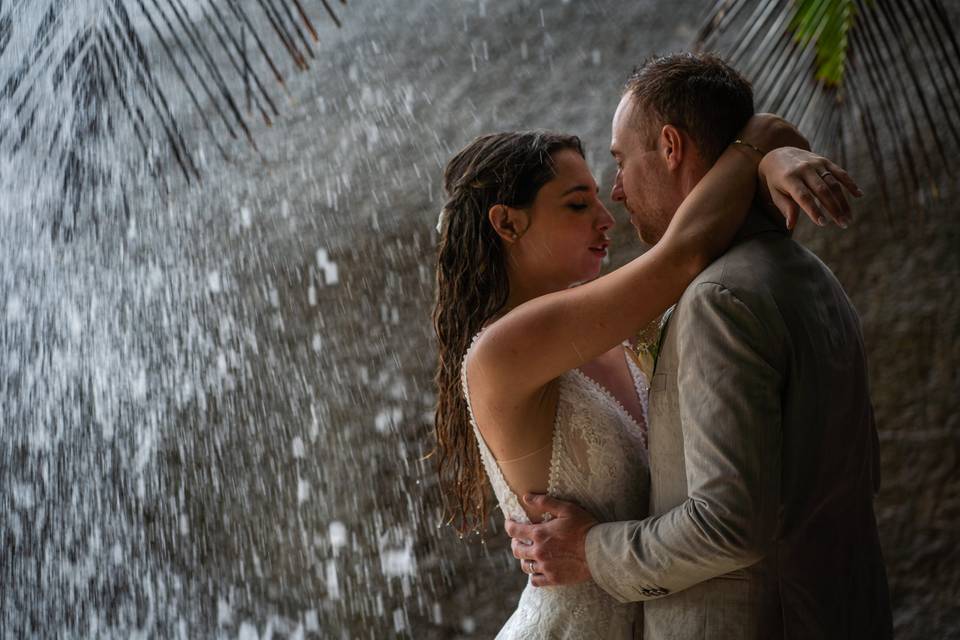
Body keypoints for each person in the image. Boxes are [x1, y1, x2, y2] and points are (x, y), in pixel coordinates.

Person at [432, 93, 858, 640]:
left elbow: (715, 239)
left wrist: (771, 158)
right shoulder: (501, 350)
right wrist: (764, 143)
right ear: (507, 223)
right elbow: (686, 251)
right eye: (577, 204)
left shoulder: (620, 328)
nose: (607, 216)